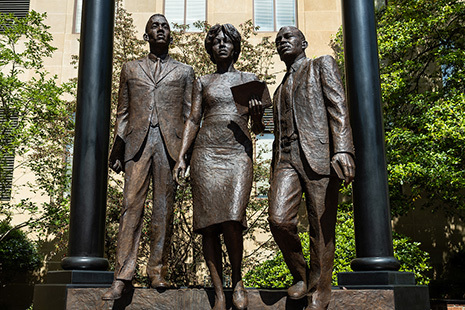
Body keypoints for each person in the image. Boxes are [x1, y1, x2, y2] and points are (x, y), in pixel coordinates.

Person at [102, 14, 194, 300]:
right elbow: (123, 112)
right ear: (146, 36)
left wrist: (185, 156)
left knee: (163, 210)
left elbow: (191, 115)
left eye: (165, 26)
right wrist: (117, 149)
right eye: (155, 26)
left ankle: (157, 272)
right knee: (131, 207)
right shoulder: (130, 68)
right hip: (137, 145)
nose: (161, 30)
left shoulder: (184, 71)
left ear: (171, 35)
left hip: (169, 146)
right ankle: (122, 277)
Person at [173, 24, 264, 310]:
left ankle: (237, 280)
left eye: (228, 41)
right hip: (206, 152)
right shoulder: (203, 81)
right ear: (211, 48)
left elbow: (263, 128)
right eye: (217, 41)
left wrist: (258, 115)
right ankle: (219, 292)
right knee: (209, 225)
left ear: (236, 47)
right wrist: (181, 156)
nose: (222, 45)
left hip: (237, 153)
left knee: (232, 220)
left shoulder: (250, 79)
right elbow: (192, 119)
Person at [268, 26, 355, 310]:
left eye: (288, 37)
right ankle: (302, 276)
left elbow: (338, 106)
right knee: (278, 220)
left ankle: (319, 289)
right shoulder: (279, 88)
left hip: (317, 155)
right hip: (286, 159)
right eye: (278, 39)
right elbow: (271, 130)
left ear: (304, 43)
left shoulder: (321, 66)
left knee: (320, 224)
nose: (282, 41)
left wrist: (342, 149)